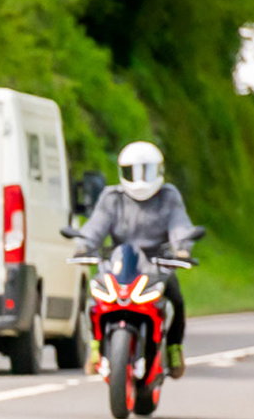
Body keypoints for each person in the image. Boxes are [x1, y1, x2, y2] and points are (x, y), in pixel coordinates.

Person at [75, 140, 197, 378]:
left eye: (147, 170)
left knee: (176, 299)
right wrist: (84, 246)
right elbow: (95, 227)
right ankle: (95, 346)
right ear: (123, 172)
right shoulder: (112, 197)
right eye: (134, 171)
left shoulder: (168, 196)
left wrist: (182, 248)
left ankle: (173, 348)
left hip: (156, 265)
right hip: (120, 263)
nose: (141, 179)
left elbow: (180, 225)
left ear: (159, 170)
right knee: (95, 297)